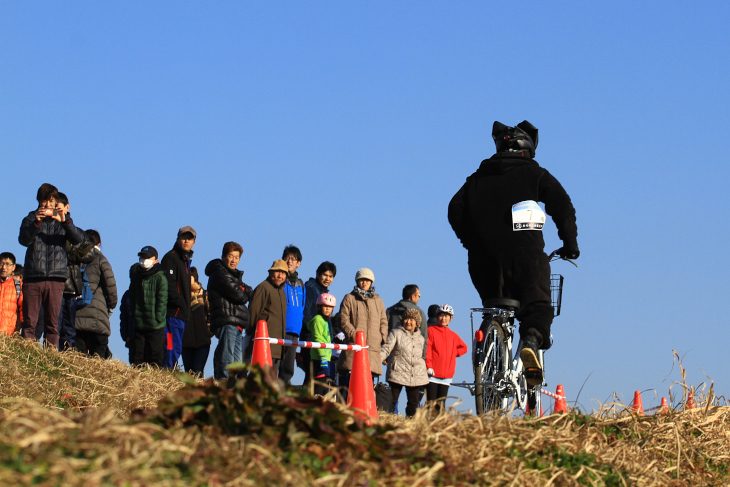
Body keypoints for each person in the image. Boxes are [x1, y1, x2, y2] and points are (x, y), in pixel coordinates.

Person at [448, 120, 579, 384]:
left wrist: (471, 242)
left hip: (482, 262)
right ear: (528, 148)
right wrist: (570, 245)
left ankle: (492, 357)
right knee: (538, 307)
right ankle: (530, 338)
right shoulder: (535, 173)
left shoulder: (476, 178)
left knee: (496, 306)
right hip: (526, 258)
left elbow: (454, 210)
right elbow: (563, 207)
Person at [18, 183, 85, 348]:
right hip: (33, 275)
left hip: (56, 276)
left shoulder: (63, 220)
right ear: (39, 201)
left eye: (51, 201)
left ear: (56, 202)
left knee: (52, 321)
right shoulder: (30, 218)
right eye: (44, 201)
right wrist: (37, 223)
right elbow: (23, 240)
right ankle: (29, 351)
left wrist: (65, 222)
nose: (47, 205)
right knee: (30, 319)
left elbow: (78, 240)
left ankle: (51, 353)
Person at [206, 242, 254, 380]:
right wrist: (242, 289)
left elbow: (249, 291)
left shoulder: (233, 275)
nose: (234, 260)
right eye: (230, 256)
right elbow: (240, 295)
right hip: (227, 320)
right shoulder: (220, 274)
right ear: (223, 256)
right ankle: (223, 382)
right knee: (227, 355)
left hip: (236, 322)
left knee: (237, 362)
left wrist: (242, 288)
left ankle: (232, 386)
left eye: (237, 257)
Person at [337, 268, 388, 397]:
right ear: (357, 281)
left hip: (373, 349)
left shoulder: (378, 301)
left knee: (367, 389)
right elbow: (343, 319)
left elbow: (383, 320)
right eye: (361, 280)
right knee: (348, 387)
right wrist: (354, 335)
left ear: (371, 282)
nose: (364, 282)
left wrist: (382, 337)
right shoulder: (349, 298)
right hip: (353, 347)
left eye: (367, 280)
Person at [56, 192, 95, 351]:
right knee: (53, 323)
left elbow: (90, 253)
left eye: (59, 208)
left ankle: (67, 353)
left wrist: (66, 256)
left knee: (68, 325)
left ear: (67, 208)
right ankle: (52, 352)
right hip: (54, 283)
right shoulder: (46, 229)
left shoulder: (75, 231)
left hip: (71, 284)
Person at [75, 230, 118, 358]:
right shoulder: (101, 260)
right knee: (98, 356)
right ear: (98, 244)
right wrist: (111, 306)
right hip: (97, 315)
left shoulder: (74, 258)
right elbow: (111, 287)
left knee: (77, 356)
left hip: (76, 314)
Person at [380, 309, 429, 418]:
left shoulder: (420, 338)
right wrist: (377, 360)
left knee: (414, 402)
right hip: (398, 370)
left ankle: (410, 423)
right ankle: (388, 420)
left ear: (417, 323)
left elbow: (421, 355)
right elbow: (386, 349)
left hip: (415, 374)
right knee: (392, 400)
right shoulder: (395, 333)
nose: (408, 322)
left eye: (412, 320)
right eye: (406, 319)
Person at [161, 226, 196, 369]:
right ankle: (167, 370)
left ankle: (171, 368)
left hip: (181, 314)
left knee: (176, 346)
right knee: (170, 344)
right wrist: (180, 302)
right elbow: (168, 284)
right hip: (172, 313)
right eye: (183, 237)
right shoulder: (171, 257)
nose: (186, 241)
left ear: (194, 242)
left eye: (190, 238)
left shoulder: (185, 260)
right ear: (178, 239)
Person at [129, 246, 168, 367]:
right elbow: (133, 297)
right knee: (138, 357)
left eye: (147, 257)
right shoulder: (136, 276)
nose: (143, 260)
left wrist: (158, 318)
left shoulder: (160, 278)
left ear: (156, 260)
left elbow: (162, 301)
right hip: (139, 323)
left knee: (155, 357)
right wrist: (134, 315)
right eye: (142, 257)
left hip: (155, 326)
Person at [425, 304, 467, 414]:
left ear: (450, 318)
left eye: (446, 316)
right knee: (430, 403)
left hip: (447, 375)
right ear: (437, 316)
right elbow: (427, 349)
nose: (443, 318)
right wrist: (428, 365)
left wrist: (454, 353)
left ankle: (439, 426)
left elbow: (464, 348)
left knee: (441, 405)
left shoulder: (453, 335)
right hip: (432, 374)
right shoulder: (431, 331)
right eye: (441, 315)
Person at [301, 261, 337, 384]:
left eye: (331, 276)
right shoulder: (311, 288)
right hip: (312, 339)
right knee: (313, 376)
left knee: (318, 377)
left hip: (322, 342)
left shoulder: (323, 292)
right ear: (318, 274)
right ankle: (307, 402)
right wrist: (312, 331)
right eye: (325, 275)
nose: (327, 278)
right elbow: (306, 313)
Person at [248, 259, 288, 372]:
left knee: (272, 381)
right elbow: (253, 312)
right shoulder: (264, 287)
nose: (280, 275)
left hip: (278, 345)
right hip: (263, 342)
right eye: (277, 272)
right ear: (270, 272)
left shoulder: (282, 292)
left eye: (283, 273)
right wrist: (251, 333)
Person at [280, 246, 306, 386]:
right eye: (287, 258)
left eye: (293, 259)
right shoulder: (278, 280)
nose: (289, 261)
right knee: (274, 364)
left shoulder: (301, 285)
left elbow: (302, 308)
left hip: (294, 331)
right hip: (280, 329)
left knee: (288, 367)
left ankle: (284, 395)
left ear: (298, 263)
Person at [181, 267, 210, 377]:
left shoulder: (205, 294)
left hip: (202, 341)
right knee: (188, 373)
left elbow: (210, 314)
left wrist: (208, 332)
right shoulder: (182, 296)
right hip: (186, 341)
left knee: (198, 372)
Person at [306, 293, 337, 396]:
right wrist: (322, 355)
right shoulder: (318, 320)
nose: (328, 309)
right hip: (319, 357)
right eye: (325, 306)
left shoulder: (326, 321)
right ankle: (315, 403)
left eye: (330, 307)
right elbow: (318, 338)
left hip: (326, 356)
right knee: (319, 382)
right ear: (319, 306)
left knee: (325, 382)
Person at [386, 284, 428, 356]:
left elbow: (384, 331)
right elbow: (424, 336)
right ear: (412, 296)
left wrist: (385, 354)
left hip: (393, 355)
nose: (419, 298)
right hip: (413, 357)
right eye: (419, 296)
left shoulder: (390, 311)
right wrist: (423, 357)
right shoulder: (419, 313)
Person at [0, 252, 23, 335]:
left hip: (10, 335)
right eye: (1, 263)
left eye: (7, 264)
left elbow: (23, 309)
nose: (4, 267)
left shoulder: (18, 286)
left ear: (13, 267)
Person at [118, 289, 132, 362]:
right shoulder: (128, 294)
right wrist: (126, 336)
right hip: (132, 336)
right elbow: (123, 317)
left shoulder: (127, 294)